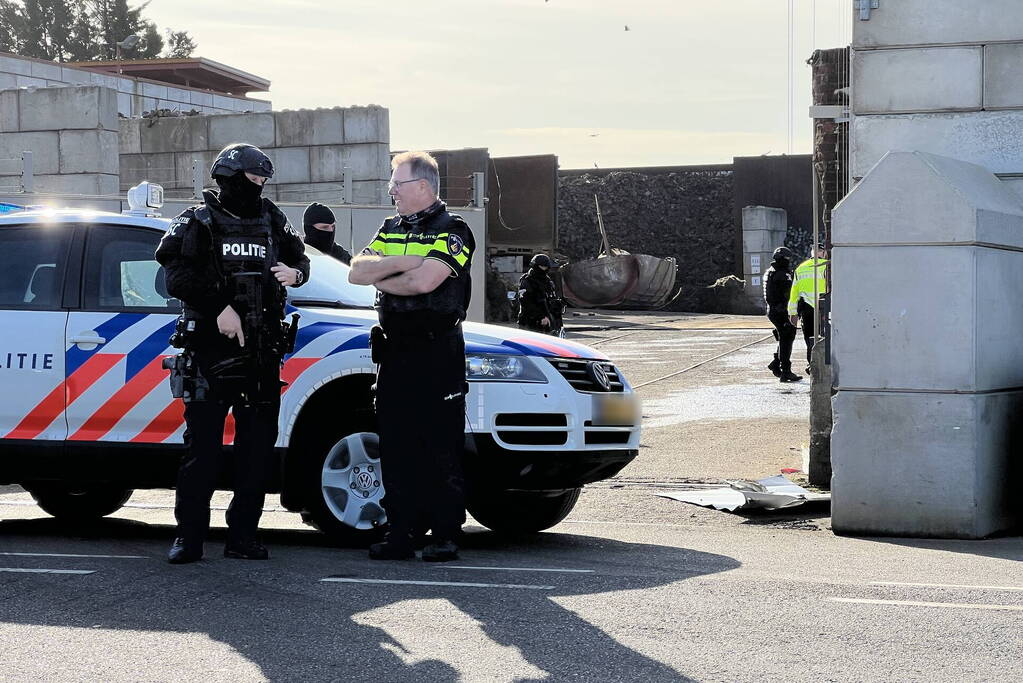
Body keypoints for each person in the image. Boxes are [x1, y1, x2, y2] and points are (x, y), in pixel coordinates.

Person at [156, 143, 310, 564]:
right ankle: (189, 537)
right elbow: (176, 276)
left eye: (263, 181)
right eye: (252, 179)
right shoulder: (198, 220)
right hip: (210, 347)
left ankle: (243, 536)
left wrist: (295, 274)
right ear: (227, 177)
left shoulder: (272, 217)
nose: (258, 187)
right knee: (202, 448)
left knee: (257, 450)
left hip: (261, 348)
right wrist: (218, 308)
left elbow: (301, 260)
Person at [348, 151, 474, 563]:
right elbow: (357, 271)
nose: (391, 192)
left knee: (439, 444)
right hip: (395, 351)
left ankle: (444, 534)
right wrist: (403, 262)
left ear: (422, 186)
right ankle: (400, 532)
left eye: (397, 184)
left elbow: (426, 282)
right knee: (397, 446)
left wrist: (387, 274)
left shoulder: (453, 230)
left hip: (437, 351)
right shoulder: (391, 228)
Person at [763, 246, 802, 383]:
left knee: (784, 337)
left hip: (774, 311)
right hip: (781, 311)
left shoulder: (771, 272)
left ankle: (776, 364)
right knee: (787, 338)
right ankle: (785, 371)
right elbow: (788, 295)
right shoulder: (782, 274)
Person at [788, 244, 829, 372]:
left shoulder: (800, 268)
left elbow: (794, 294)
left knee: (809, 337)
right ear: (823, 253)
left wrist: (792, 313)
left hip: (807, 307)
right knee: (825, 336)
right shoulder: (828, 266)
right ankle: (824, 363)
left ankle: (811, 363)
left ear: (811, 253)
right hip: (824, 306)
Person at [517, 253, 563, 335]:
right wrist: (540, 317)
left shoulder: (547, 280)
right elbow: (525, 302)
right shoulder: (527, 280)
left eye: (546, 267)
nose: (545, 269)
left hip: (548, 320)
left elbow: (551, 298)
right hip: (530, 322)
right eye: (543, 266)